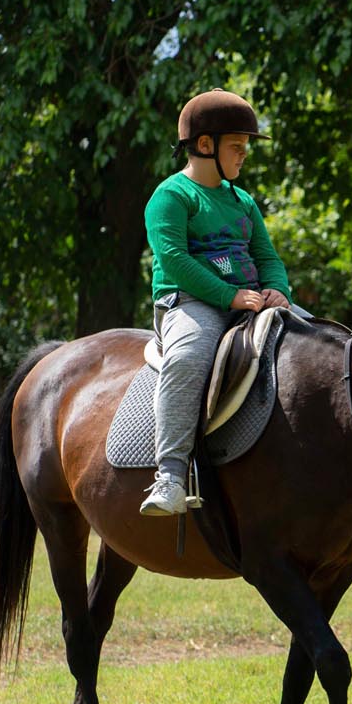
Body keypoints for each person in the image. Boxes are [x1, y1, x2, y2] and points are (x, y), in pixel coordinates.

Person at [139, 89, 295, 517]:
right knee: (188, 357)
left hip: (252, 300)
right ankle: (170, 476)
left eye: (246, 148)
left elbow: (266, 257)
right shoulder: (171, 196)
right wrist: (228, 295)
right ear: (205, 145)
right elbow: (173, 259)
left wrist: (279, 290)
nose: (244, 156)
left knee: (322, 341)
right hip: (190, 303)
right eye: (237, 147)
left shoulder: (243, 200)